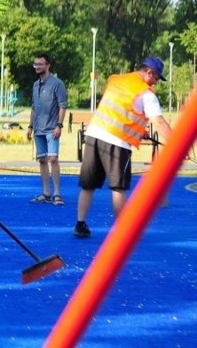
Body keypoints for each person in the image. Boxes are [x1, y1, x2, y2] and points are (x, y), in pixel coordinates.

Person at [74, 57, 173, 238]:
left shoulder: (116, 80)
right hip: (117, 143)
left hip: (94, 134)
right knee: (118, 187)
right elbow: (158, 122)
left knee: (88, 185)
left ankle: (80, 224)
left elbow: (120, 109)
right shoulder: (146, 94)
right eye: (157, 78)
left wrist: (138, 130)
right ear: (149, 72)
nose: (156, 82)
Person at [27, 53, 68, 206]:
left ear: (48, 65)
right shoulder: (35, 85)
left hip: (52, 128)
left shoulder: (57, 84)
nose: (37, 67)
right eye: (35, 64)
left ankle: (57, 193)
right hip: (38, 129)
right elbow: (33, 107)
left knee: (53, 159)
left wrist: (59, 125)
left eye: (40, 64)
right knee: (42, 160)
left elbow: (62, 105)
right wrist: (30, 126)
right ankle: (46, 192)